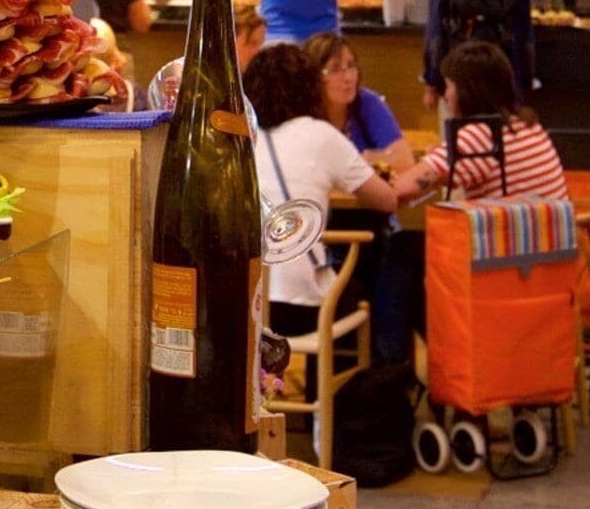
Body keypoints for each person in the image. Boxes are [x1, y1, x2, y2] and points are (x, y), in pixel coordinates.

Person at [244, 40, 437, 341]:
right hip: (306, 311)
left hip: (249, 304)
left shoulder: (243, 139)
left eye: (350, 66)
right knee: (378, 274)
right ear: (311, 85)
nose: (347, 76)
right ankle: (369, 377)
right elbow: (386, 201)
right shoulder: (321, 135)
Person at [419, 39, 572, 201]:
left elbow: (401, 191)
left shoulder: (479, 136)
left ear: (467, 92)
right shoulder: (528, 124)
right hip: (551, 224)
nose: (446, 95)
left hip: (510, 226)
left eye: (449, 86)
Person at [302, 31, 412, 173]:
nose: (348, 77)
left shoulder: (368, 102)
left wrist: (366, 159)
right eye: (335, 69)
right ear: (314, 76)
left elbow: (405, 161)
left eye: (351, 65)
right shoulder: (300, 111)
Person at [150, 0, 266, 112]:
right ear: (226, 41)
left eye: (261, 44)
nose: (259, 51)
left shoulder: (254, 81)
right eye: (253, 43)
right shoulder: (189, 83)